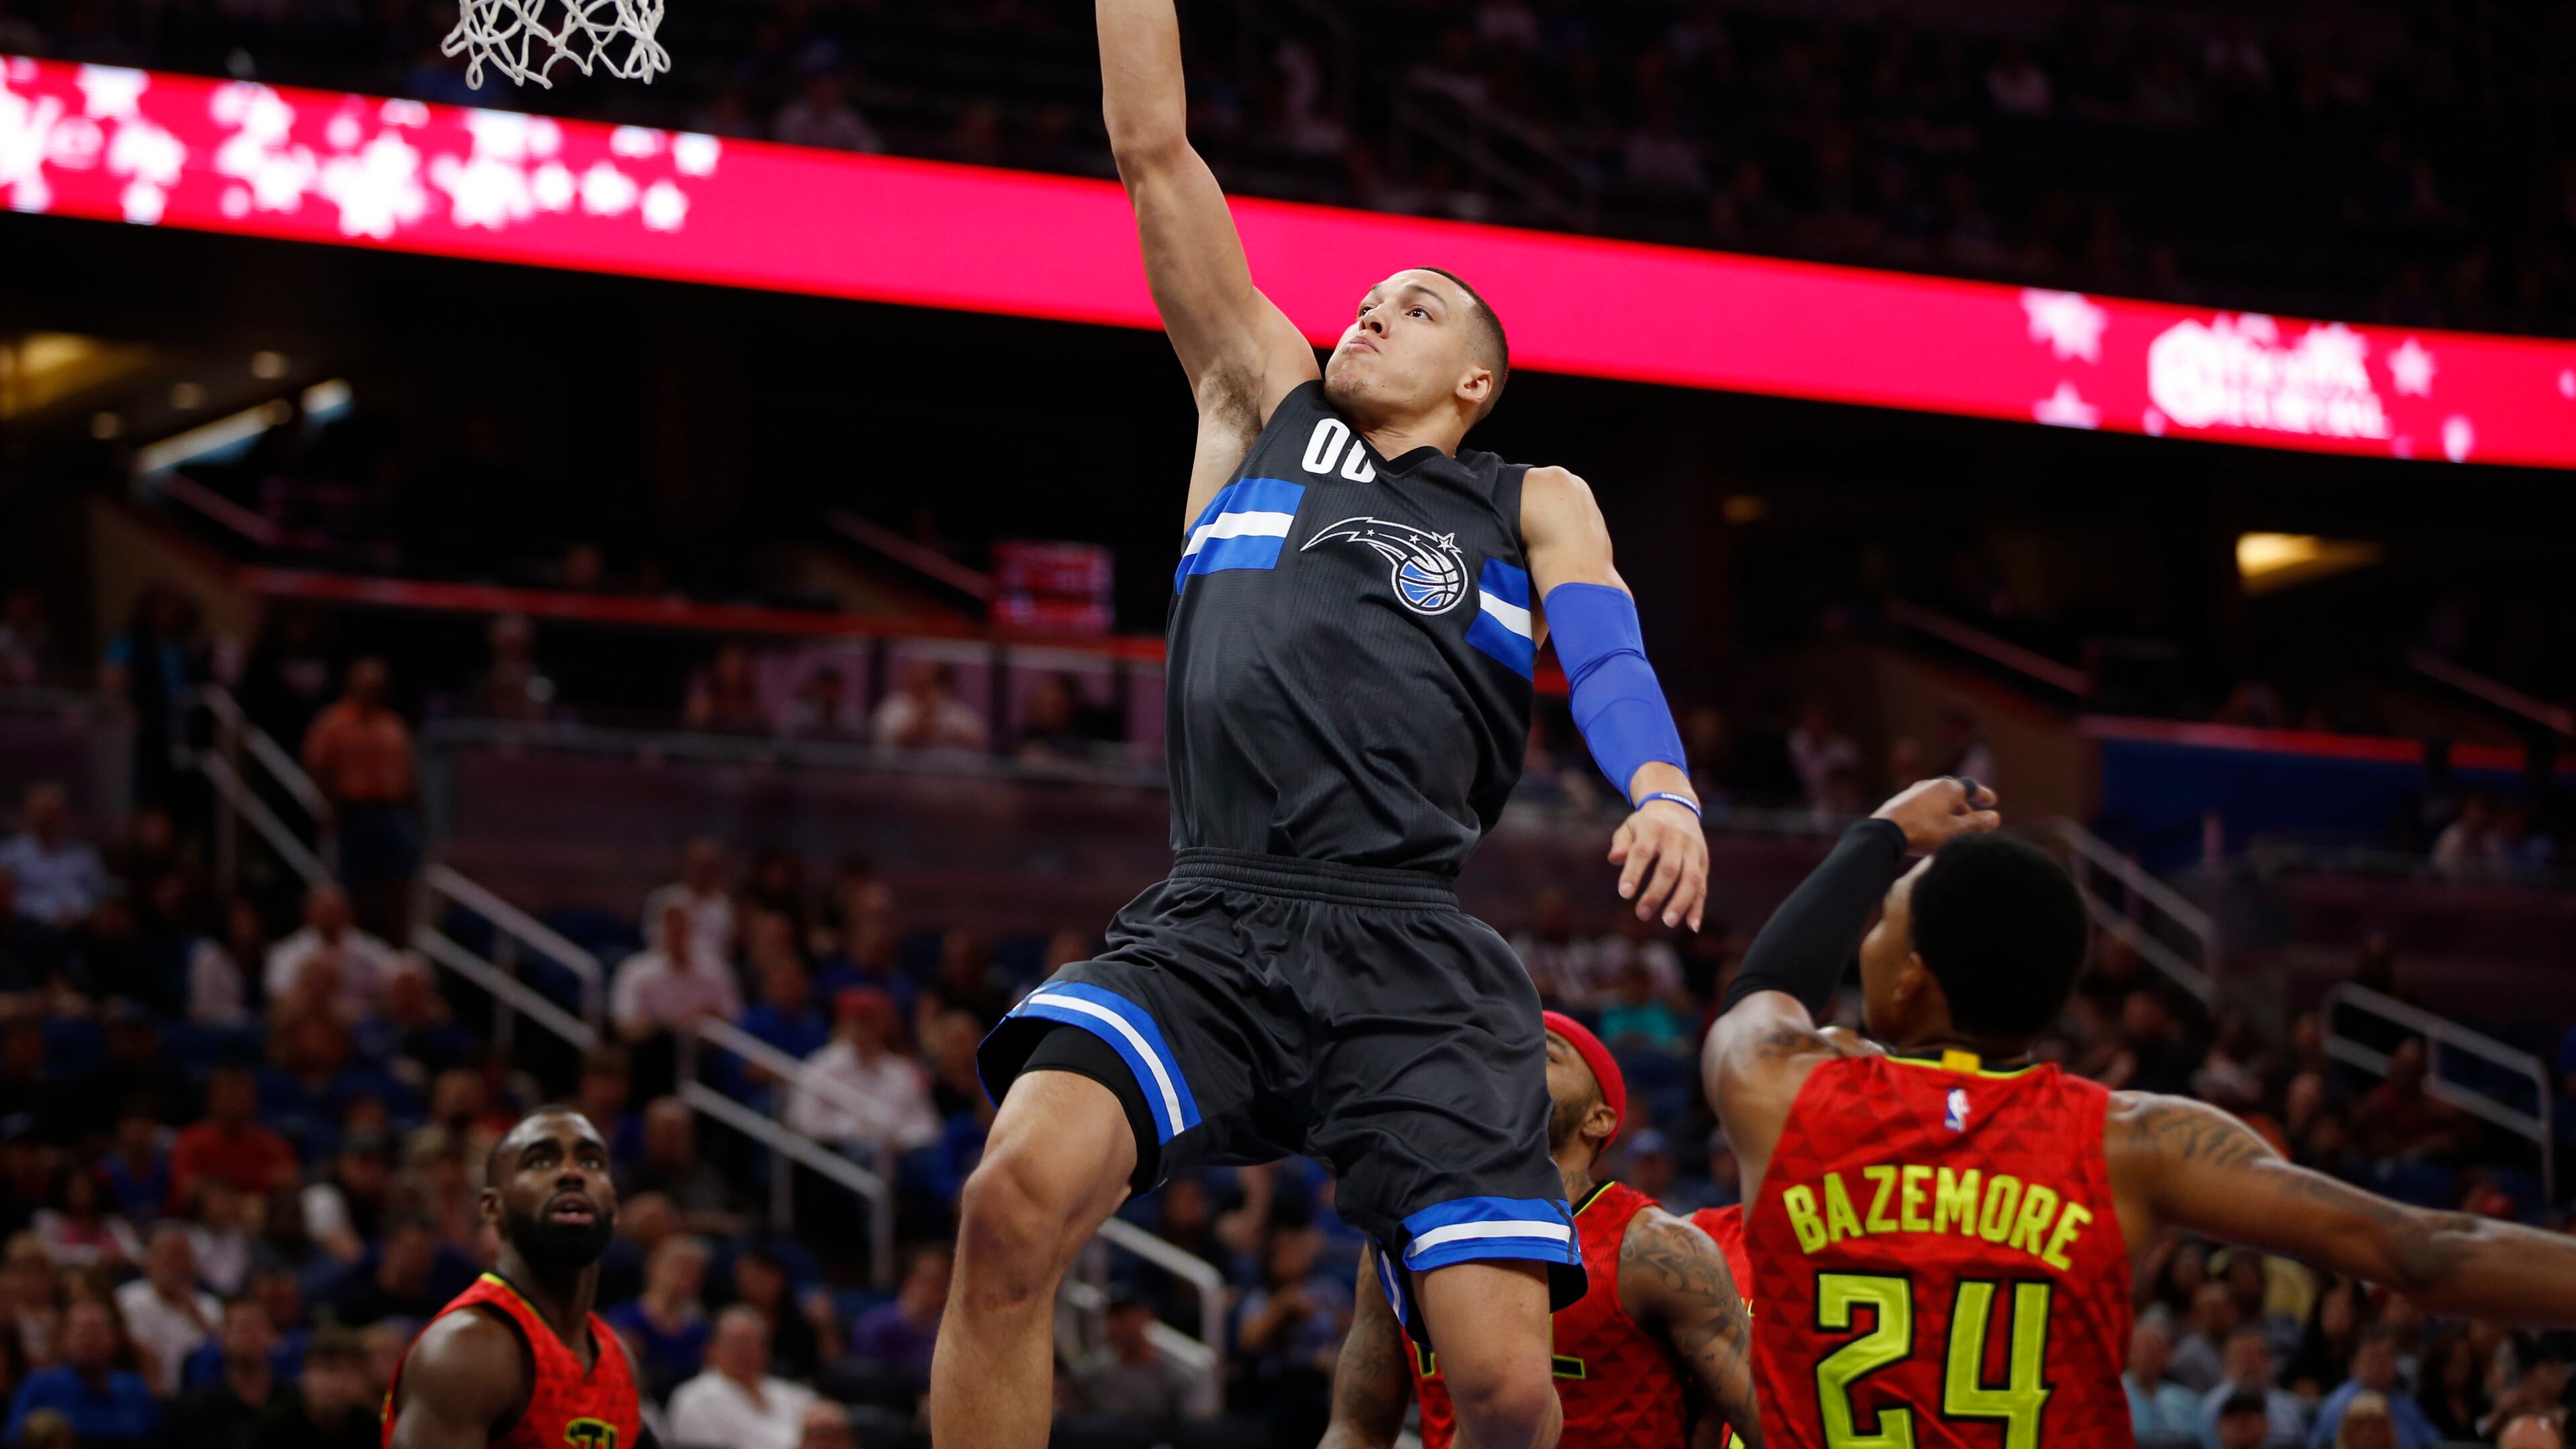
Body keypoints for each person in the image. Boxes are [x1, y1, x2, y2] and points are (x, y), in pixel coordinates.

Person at [947, 14, 1709, 1447]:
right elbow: (1150, 146)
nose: (1370, 312)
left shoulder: (1527, 497)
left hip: (1412, 949)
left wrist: (1660, 785)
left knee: (1501, 1394)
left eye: (1414, 308)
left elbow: (1605, 648)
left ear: (1475, 382)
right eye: (1365, 297)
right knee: (1006, 1206)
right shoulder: (1260, 403)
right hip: (1215, 920)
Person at [1700, 777, 2576, 1449]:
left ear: (1913, 976)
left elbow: (1764, 988)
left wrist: (1881, 833)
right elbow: (2421, 1254)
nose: (1867, 936)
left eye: (1884, 921)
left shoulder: (1784, 1093)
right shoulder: (2135, 1141)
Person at [1324, 1011, 1758, 1449]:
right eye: (1501, 1051)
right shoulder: (1403, 1237)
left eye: (1545, 1052)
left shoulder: (1655, 1249)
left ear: (1598, 1119)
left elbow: (1774, 1424)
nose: (1513, 1059)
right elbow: (1357, 1430)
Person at [381, 1106, 641, 1449]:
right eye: (540, 1162)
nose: (571, 1174)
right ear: (492, 1207)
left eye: (591, 1162)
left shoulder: (618, 1359)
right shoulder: (467, 1349)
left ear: (614, 1204)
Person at [299, 657, 419, 940]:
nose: (372, 688)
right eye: (366, 682)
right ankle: (353, 938)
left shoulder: (393, 725)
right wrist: (330, 803)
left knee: (399, 882)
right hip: (352, 811)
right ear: (352, 683)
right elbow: (317, 764)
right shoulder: (333, 722)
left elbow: (409, 776)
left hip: (391, 811)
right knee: (352, 886)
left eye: (377, 683)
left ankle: (396, 940)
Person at [786, 987, 941, 1155]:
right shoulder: (822, 1065)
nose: (865, 1028)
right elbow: (804, 1121)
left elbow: (927, 1124)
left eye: (871, 1019)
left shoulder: (901, 1070)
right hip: (838, 1152)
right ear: (844, 1022)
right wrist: (859, 1131)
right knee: (866, 1151)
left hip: (897, 1152)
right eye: (858, 1019)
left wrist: (899, 1139)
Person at [2, 1300, 156, 1447]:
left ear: (115, 1338)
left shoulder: (133, 1387)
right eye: (82, 1334)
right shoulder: (39, 1386)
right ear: (63, 1340)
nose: (90, 1342)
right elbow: (16, 1440)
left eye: (97, 1333)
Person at [667, 1305, 814, 1449]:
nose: (747, 1352)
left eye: (756, 1344)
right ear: (712, 1349)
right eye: (738, 1344)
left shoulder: (791, 1394)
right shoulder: (693, 1399)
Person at [1065, 1290, 1217, 1420]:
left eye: (1124, 1316)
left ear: (1147, 1316)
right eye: (1111, 1317)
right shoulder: (1091, 1375)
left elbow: (1193, 1429)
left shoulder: (1175, 1377)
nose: (1117, 1325)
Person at [262, 881, 401, 1020]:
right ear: (309, 912)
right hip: (305, 1025)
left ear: (348, 912)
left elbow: (397, 992)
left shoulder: (371, 951)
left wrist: (348, 1010)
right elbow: (278, 998)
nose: (329, 916)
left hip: (359, 1027)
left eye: (334, 909)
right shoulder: (287, 951)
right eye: (323, 909)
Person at [112, 1222, 218, 1397]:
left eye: (183, 1258)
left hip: (198, 1399)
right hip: (142, 1394)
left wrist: (195, 1313)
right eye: (169, 1256)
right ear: (150, 1260)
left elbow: (222, 1355)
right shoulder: (126, 1299)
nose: (176, 1266)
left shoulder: (209, 1306)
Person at [169, 1297, 278, 1449]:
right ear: (224, 1338)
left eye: (258, 1327)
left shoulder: (292, 1401)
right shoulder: (199, 1407)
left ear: (272, 1335)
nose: (252, 1336)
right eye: (243, 1328)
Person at [247, 1325, 375, 1449]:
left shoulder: (374, 1431)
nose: (336, 1383)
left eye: (348, 1371)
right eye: (327, 1370)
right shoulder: (272, 1431)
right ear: (305, 1376)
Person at [0, 785, 107, 930]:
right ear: (28, 814)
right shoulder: (11, 854)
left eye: (53, 813)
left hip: (81, 925)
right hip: (30, 925)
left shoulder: (83, 854)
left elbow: (99, 893)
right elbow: (9, 900)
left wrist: (78, 912)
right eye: (42, 812)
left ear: (64, 814)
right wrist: (50, 914)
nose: (47, 819)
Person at [2308, 1330, 2436, 1449]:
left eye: (2386, 1358)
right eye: (2373, 1358)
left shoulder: (2404, 1402)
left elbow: (2432, 1442)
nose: (2380, 1365)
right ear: (2353, 1365)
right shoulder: (2340, 1405)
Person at [2199, 1324, 2306, 1448]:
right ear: (2227, 1360)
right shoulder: (2211, 1405)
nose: (2247, 1362)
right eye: (2240, 1355)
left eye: (2252, 1355)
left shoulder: (2289, 1407)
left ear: (2268, 1360)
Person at [641, 840, 737, 971]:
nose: (703, 872)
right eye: (698, 865)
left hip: (711, 973)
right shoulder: (664, 898)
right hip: (668, 969)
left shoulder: (725, 906)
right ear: (687, 865)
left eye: (709, 867)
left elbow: (726, 950)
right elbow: (654, 941)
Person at [2127, 1313, 2204, 1442]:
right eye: (2142, 1348)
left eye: (2156, 1349)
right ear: (2128, 1352)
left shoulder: (2187, 1401)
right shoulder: (2109, 1397)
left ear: (2167, 1355)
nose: (2149, 1356)